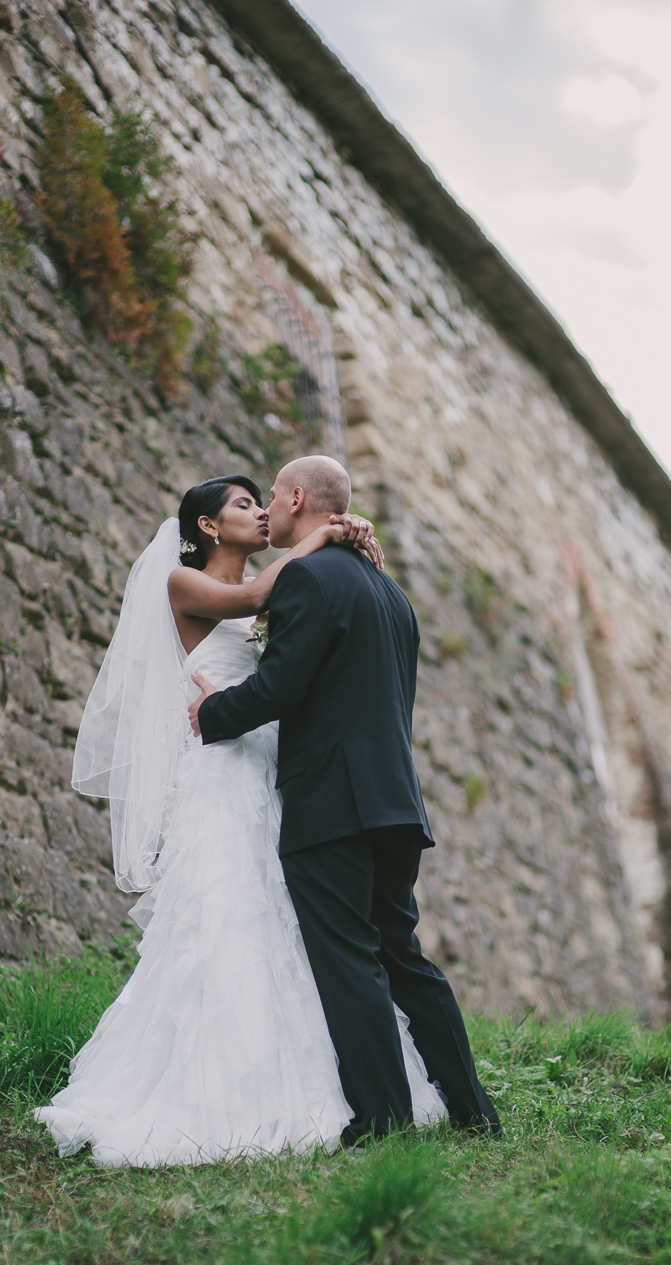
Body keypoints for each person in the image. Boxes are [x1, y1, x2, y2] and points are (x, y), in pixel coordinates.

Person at [33, 473, 446, 1167]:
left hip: (276, 772)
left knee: (292, 924)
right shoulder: (183, 585)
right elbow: (256, 596)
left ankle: (337, 1080)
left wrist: (326, 542)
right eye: (243, 505)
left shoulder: (287, 587)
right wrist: (325, 533)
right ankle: (221, 1086)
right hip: (221, 773)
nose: (259, 513)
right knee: (229, 912)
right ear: (207, 528)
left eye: (263, 500)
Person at [189, 456, 501, 1145]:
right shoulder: (390, 592)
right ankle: (475, 1112)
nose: (268, 509)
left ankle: (383, 1119)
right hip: (396, 800)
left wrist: (213, 712)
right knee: (405, 958)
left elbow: (277, 686)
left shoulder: (303, 576)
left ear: (297, 496)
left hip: (332, 801)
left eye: (272, 496)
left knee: (349, 957)